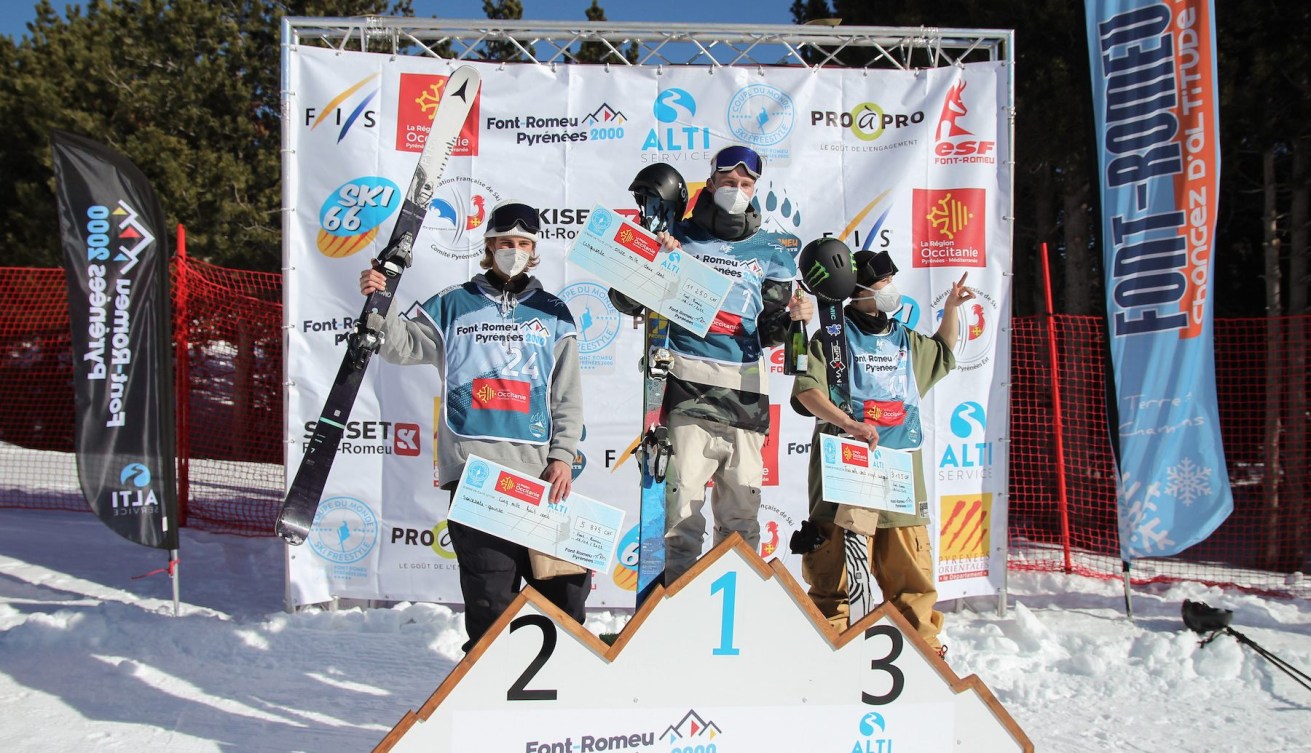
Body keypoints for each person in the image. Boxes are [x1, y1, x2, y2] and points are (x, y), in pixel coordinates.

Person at [360, 200, 588, 652]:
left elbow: (567, 394)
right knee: (490, 597)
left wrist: (562, 456)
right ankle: (490, 690)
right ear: (488, 245)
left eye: (524, 243)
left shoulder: (554, 312)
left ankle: (561, 689)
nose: (515, 250)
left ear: (535, 249)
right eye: (506, 242)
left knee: (563, 594)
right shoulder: (453, 303)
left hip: (539, 477)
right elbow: (400, 346)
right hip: (476, 474)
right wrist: (377, 300)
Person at [610, 145, 813, 584]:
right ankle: (679, 614)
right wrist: (653, 258)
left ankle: (735, 617)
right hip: (686, 384)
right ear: (712, 180)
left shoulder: (773, 249)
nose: (736, 190)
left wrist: (794, 319)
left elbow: (769, 329)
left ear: (756, 188)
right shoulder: (678, 235)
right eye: (728, 181)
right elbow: (623, 299)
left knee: (742, 515)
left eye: (746, 184)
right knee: (681, 518)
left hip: (746, 391)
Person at [790, 248, 975, 655]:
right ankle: (832, 652)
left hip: (900, 481)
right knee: (836, 581)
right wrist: (848, 423)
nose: (892, 290)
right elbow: (807, 393)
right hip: (846, 477)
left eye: (891, 281)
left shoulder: (904, 339)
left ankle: (924, 655)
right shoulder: (831, 341)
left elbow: (942, 354)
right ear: (857, 292)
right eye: (882, 284)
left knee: (911, 583)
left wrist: (951, 310)